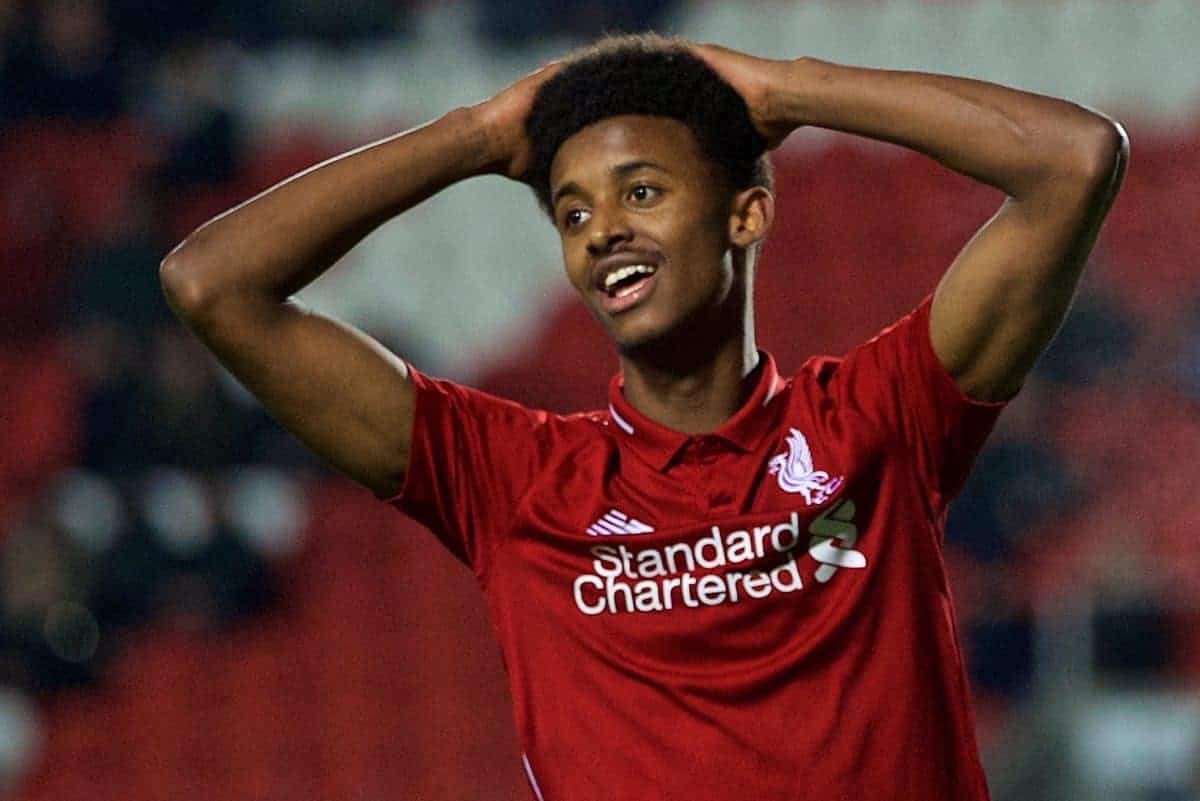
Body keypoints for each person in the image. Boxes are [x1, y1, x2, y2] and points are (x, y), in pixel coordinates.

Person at [160, 33, 1127, 801]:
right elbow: (212, 283)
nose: (603, 229)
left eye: (642, 191)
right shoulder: (513, 481)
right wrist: (475, 134)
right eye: (573, 214)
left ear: (746, 214)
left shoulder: (880, 419)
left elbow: (1075, 162)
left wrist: (789, 90)